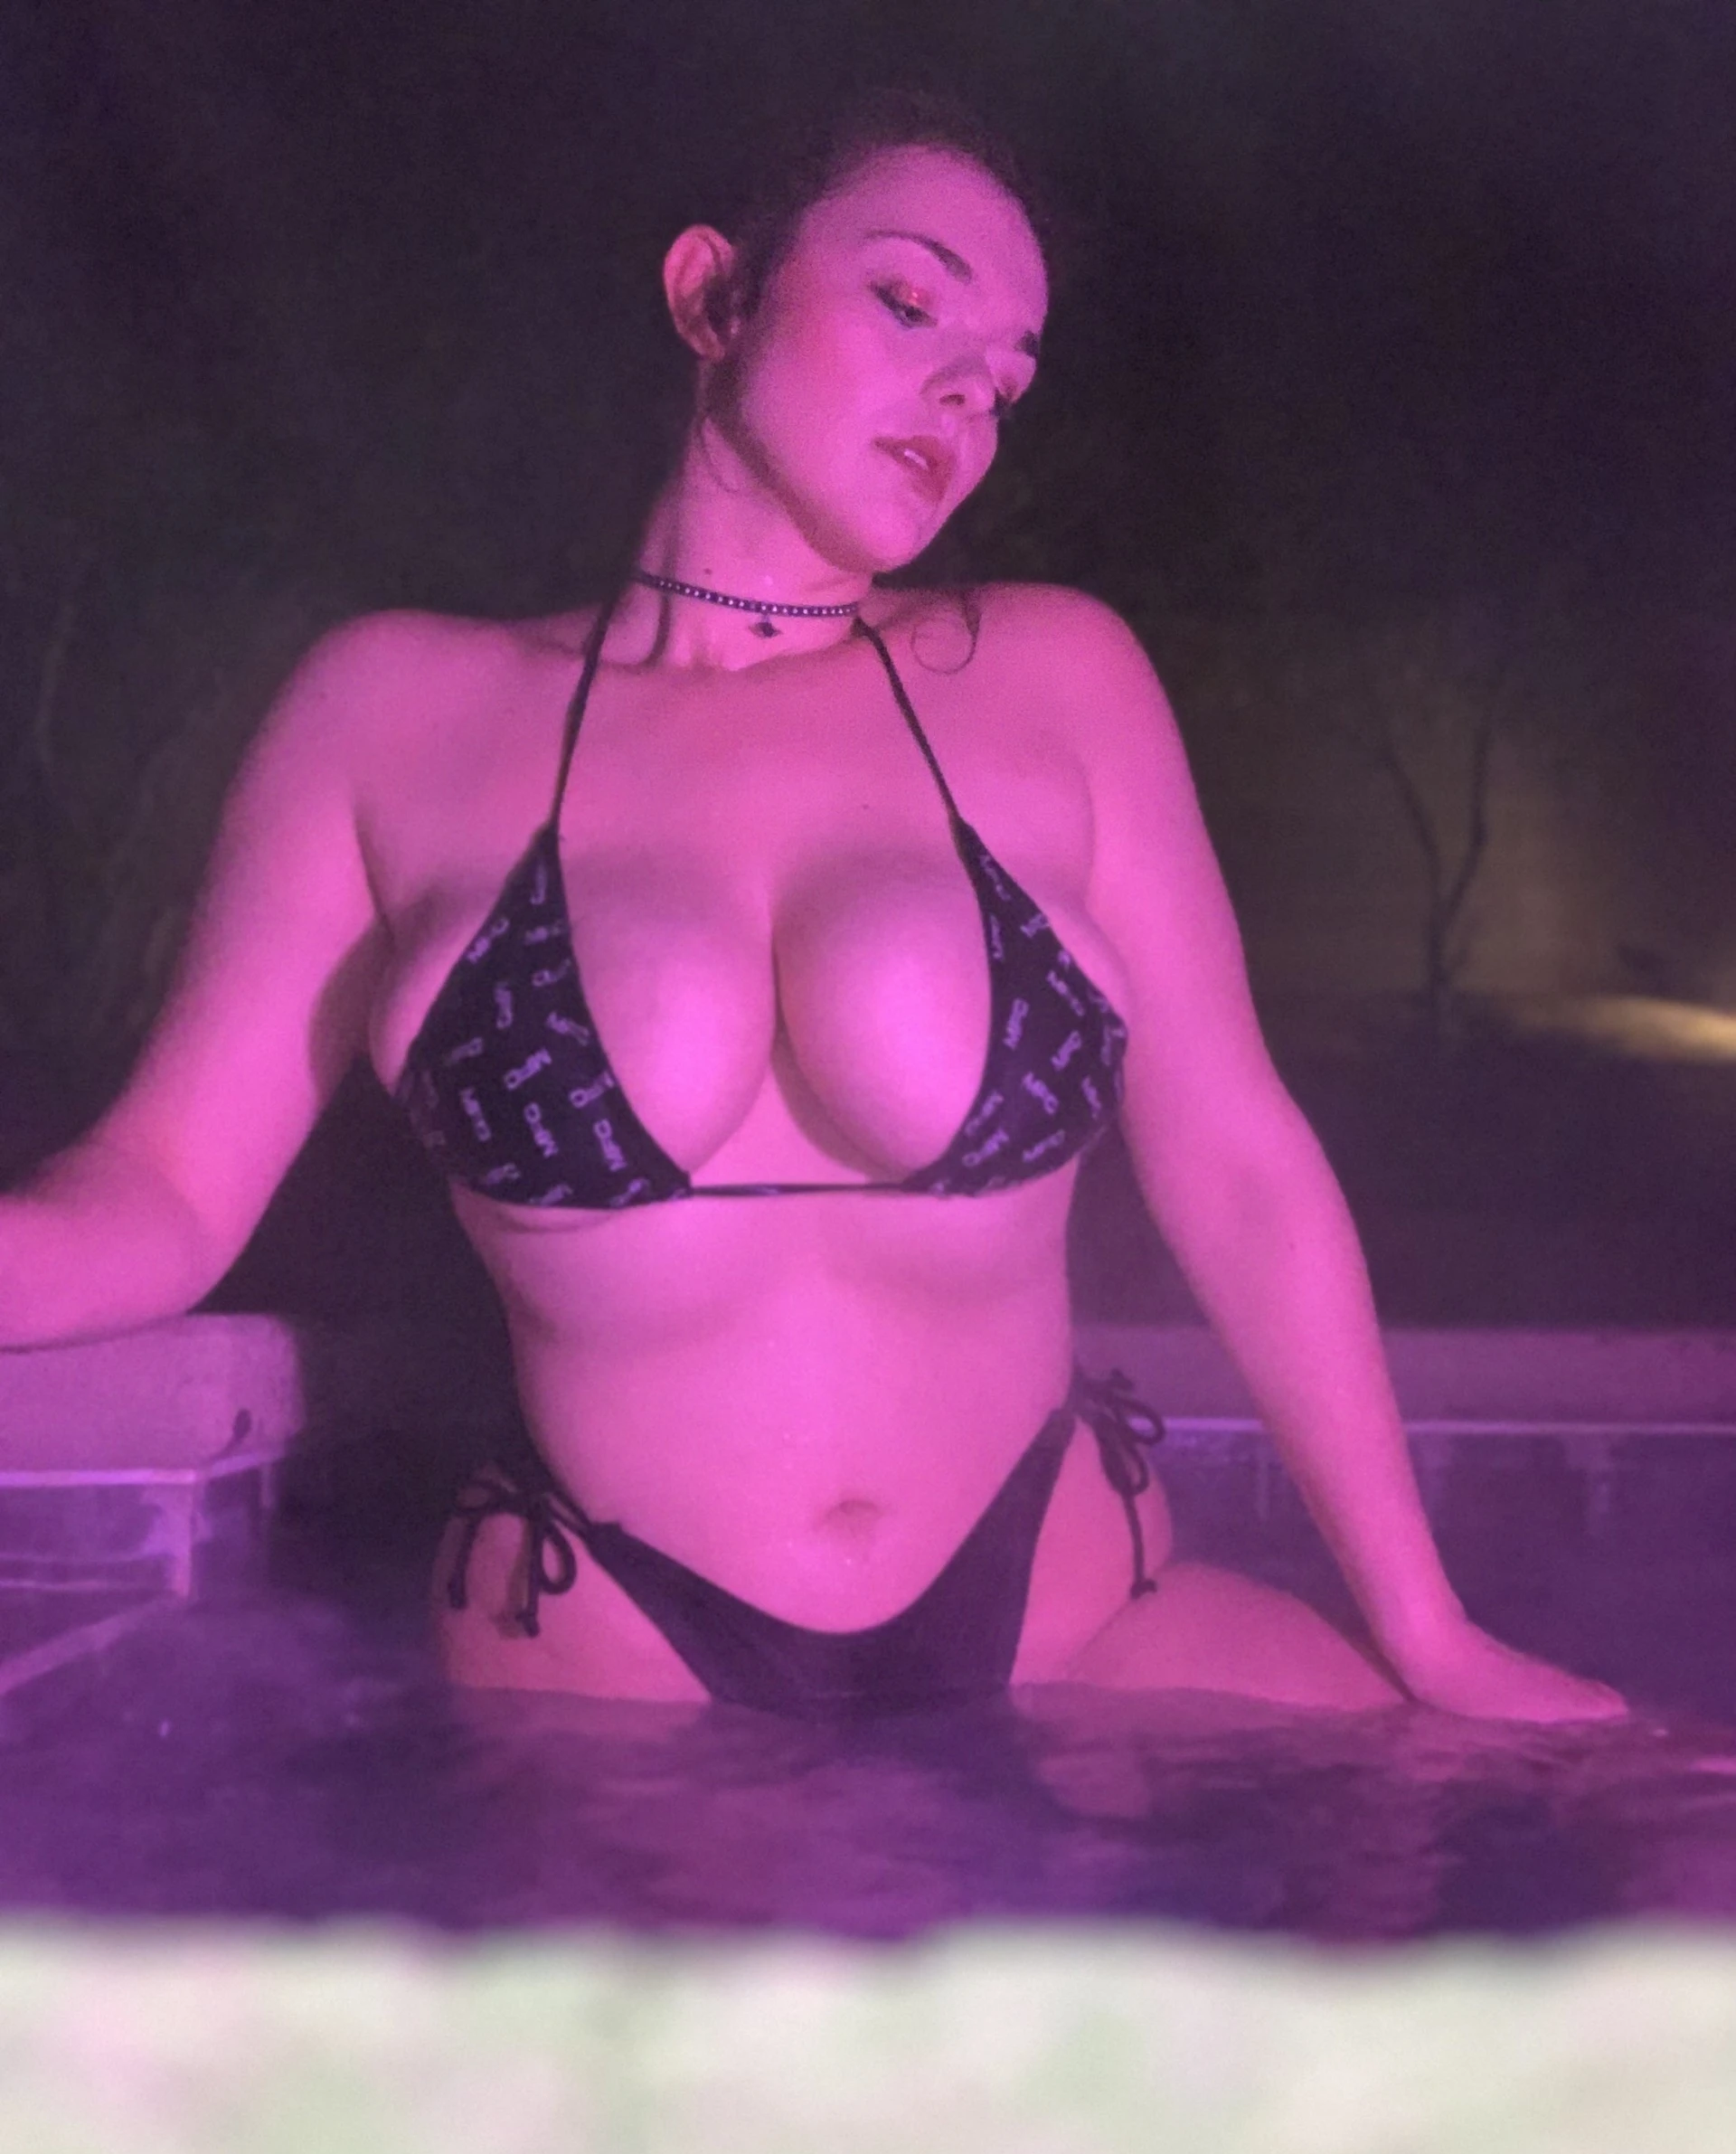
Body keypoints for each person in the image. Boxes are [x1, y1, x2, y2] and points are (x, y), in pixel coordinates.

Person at [0, 97, 1620, 1723]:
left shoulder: (1056, 679)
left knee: (1625, 1800)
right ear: (714, 296)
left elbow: (1241, 1166)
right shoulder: (394, 714)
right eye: (912, 305)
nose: (966, 395)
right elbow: (166, 1190)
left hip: (1065, 1607)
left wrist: (1429, 1631)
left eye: (1005, 379)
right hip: (620, 1668)